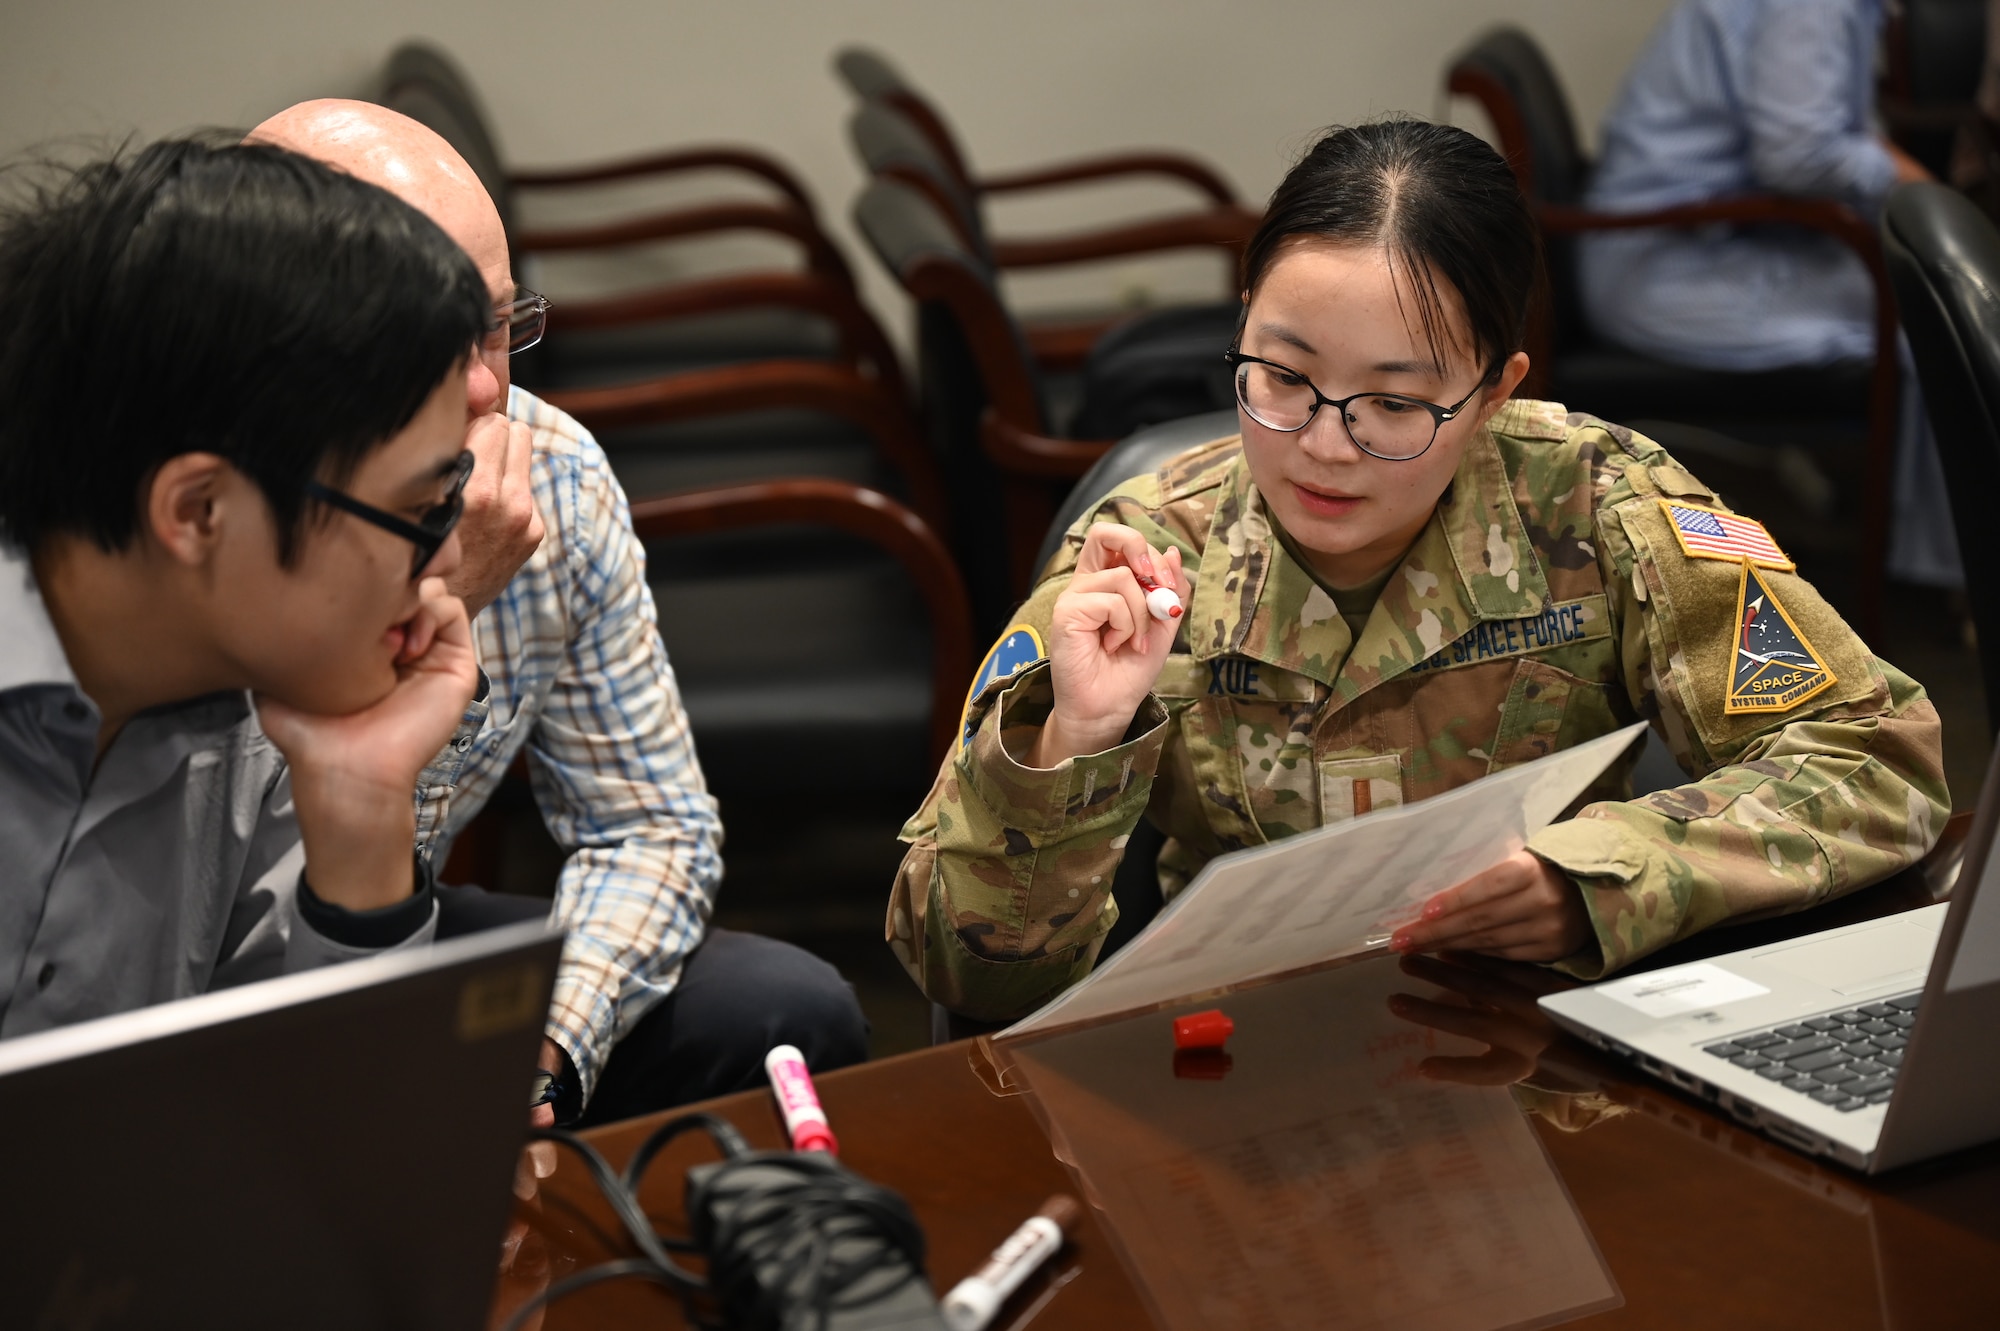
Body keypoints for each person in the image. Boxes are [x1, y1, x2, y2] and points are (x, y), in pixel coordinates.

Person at [889, 120, 1950, 1023]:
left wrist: (1605, 874)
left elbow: (1877, 760)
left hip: (1539, 1045)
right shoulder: (1148, 548)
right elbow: (959, 969)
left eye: (1394, 403)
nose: (1323, 445)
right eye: (1280, 376)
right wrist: (1074, 739)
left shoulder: (1596, 503)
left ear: (1494, 393)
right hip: (1243, 1051)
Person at [251, 101, 868, 1126]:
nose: (490, 387)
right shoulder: (207, 507)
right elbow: (236, 892)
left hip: (391, 919)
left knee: (781, 1010)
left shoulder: (551, 470)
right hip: (213, 957)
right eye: (431, 339)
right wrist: (434, 602)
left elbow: (651, 827)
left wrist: (542, 1046)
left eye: (498, 322)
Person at [0, 137, 489, 1033]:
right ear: (198, 512)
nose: (449, 563)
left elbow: (335, 1147)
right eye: (419, 513)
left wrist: (365, 800)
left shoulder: (282, 714)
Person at [1576, 0, 1958, 588]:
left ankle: (1925, 545)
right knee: (1936, 315)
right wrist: (1925, 197)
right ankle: (1951, 572)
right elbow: (1801, 155)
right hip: (1668, 268)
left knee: (1921, 290)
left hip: (1691, 245)